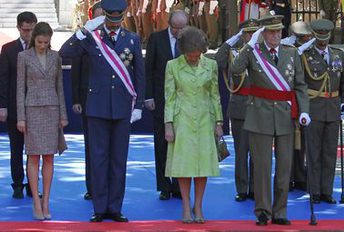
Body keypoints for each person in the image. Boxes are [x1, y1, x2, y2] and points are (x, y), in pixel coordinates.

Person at [59, 0, 146, 222]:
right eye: (111, 20)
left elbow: (139, 75)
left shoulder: (132, 39)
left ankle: (115, 207)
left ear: (123, 16)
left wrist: (138, 105)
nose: (115, 25)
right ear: (104, 17)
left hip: (122, 106)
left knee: (118, 159)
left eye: (118, 20)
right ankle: (99, 207)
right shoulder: (92, 38)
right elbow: (64, 52)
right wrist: (84, 30)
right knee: (98, 159)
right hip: (96, 107)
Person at [230, 15, 310, 226]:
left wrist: (304, 110)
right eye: (271, 32)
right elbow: (235, 69)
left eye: (279, 31)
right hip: (259, 115)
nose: (276, 35)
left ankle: (281, 211)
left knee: (284, 166)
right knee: (262, 167)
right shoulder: (253, 53)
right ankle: (263, 210)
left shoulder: (291, 53)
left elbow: (300, 85)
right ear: (263, 33)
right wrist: (249, 44)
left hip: (285, 115)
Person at [164, 26, 222, 224]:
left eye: (197, 55)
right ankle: (186, 207)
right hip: (183, 119)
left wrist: (219, 122)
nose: (194, 58)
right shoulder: (172, 66)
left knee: (202, 166)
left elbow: (215, 95)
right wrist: (168, 124)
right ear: (183, 51)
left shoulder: (211, 65)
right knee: (184, 166)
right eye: (190, 55)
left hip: (205, 119)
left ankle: (199, 206)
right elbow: (169, 97)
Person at [16, 22, 66, 221]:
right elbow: (20, 88)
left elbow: (60, 87)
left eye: (46, 42)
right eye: (39, 42)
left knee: (49, 157)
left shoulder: (56, 57)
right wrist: (21, 116)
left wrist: (63, 114)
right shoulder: (23, 57)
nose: (43, 45)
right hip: (32, 111)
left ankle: (46, 201)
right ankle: (36, 202)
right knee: (33, 156)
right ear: (34, 38)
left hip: (52, 110)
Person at [302, 18, 344, 205]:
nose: (323, 42)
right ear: (314, 36)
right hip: (314, 107)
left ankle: (326, 191)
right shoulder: (306, 55)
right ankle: (314, 190)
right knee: (314, 151)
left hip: (333, 108)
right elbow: (301, 83)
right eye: (320, 38)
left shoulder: (338, 54)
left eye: (326, 38)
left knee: (330, 152)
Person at [145, 10, 188, 201]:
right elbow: (149, 69)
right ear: (169, 24)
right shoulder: (156, 38)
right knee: (162, 142)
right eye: (176, 28)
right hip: (161, 98)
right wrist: (148, 96)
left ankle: (180, 186)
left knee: (181, 144)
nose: (179, 31)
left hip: (184, 100)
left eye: (182, 28)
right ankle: (164, 185)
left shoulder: (190, 39)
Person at [215, 18, 260, 202]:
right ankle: (242, 188)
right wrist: (233, 39)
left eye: (253, 33)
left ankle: (255, 189)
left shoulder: (262, 52)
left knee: (257, 152)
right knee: (242, 152)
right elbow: (218, 61)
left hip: (258, 106)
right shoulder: (233, 52)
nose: (250, 36)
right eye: (247, 33)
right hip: (240, 106)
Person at [0, 11, 37, 200]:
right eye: (25, 30)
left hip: (36, 109)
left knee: (34, 150)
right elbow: (3, 79)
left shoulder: (42, 47)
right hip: (15, 108)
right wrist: (2, 106)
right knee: (16, 149)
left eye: (32, 30)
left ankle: (32, 185)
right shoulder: (8, 49)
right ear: (18, 28)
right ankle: (17, 184)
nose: (28, 34)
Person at [71, 3, 104, 201]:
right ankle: (92, 187)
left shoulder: (118, 39)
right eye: (97, 19)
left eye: (104, 18)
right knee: (91, 146)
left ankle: (108, 187)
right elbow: (76, 70)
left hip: (110, 100)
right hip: (88, 98)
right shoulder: (84, 39)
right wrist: (76, 98)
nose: (100, 23)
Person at [281, 20, 314, 191]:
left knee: (304, 143)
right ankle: (288, 177)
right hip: (288, 100)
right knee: (287, 142)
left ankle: (301, 177)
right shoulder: (286, 50)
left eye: (307, 36)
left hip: (306, 100)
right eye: (302, 37)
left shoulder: (311, 51)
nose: (306, 39)